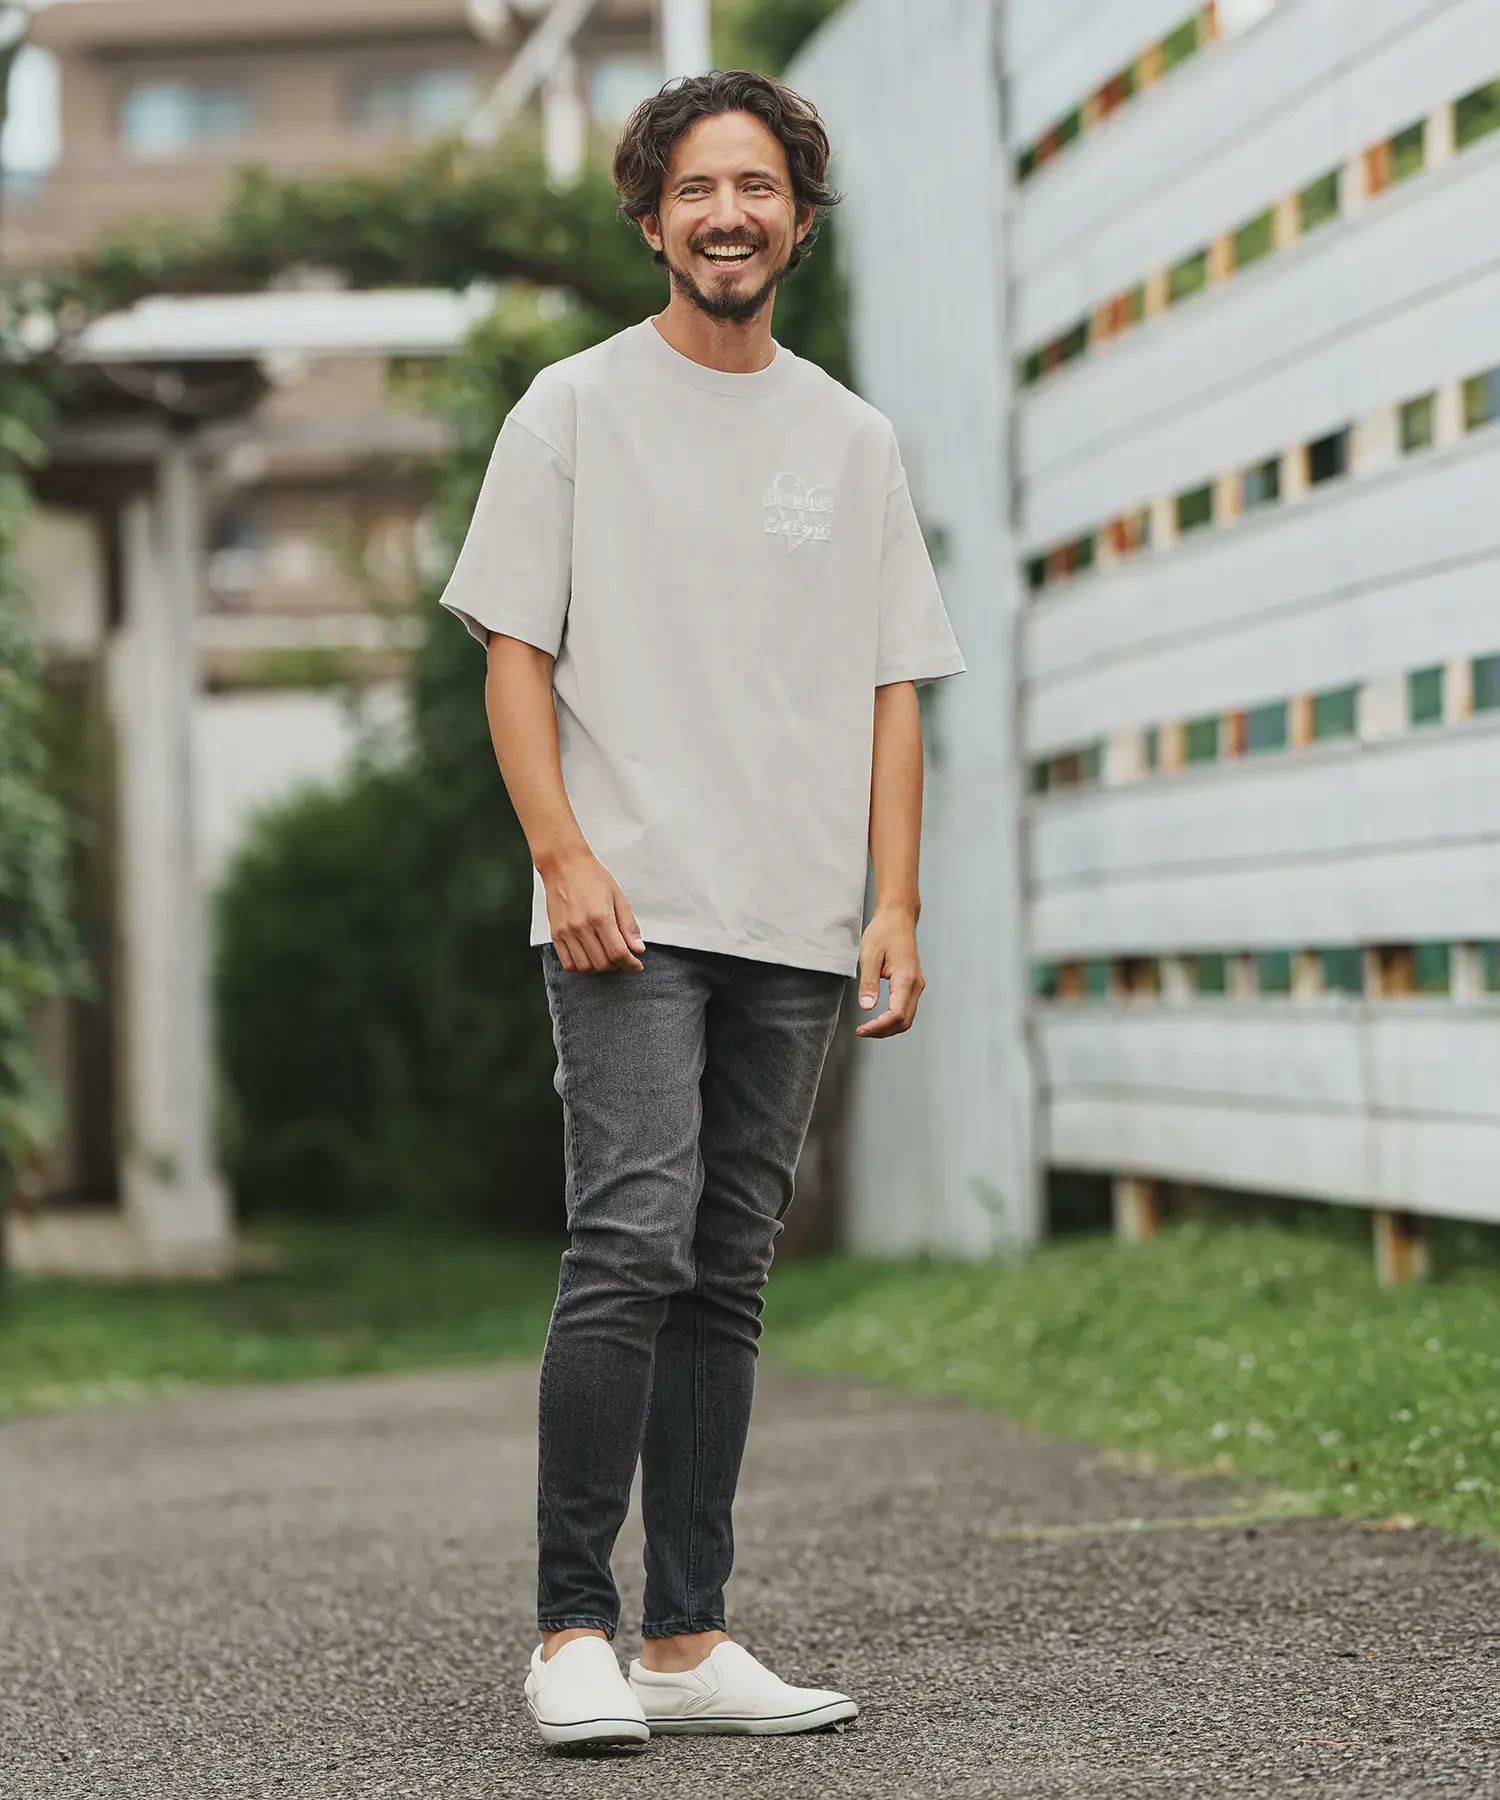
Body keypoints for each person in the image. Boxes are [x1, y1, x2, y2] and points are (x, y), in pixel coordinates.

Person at [437, 67, 966, 1749]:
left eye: (756, 189)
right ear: (653, 220)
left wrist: (894, 901)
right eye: (695, 190)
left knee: (727, 1267)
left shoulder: (851, 438)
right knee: (630, 1241)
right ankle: (570, 1632)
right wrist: (566, 859)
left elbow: (894, 683)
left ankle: (686, 1635)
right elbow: (514, 655)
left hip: (795, 918)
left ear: (797, 221)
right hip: (629, 911)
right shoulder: (572, 410)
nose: (727, 215)